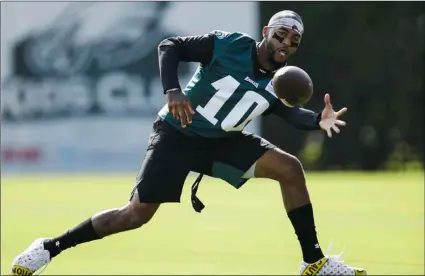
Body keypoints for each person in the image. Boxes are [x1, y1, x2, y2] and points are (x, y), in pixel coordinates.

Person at [10, 10, 367, 276]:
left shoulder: (279, 82)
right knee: (135, 214)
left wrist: (318, 121)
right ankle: (48, 247)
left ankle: (314, 261)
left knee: (290, 168)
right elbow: (170, 46)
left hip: (222, 141)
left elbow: (291, 115)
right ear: (266, 32)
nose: (285, 44)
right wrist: (173, 90)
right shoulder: (230, 45)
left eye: (293, 41)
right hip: (177, 134)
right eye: (281, 35)